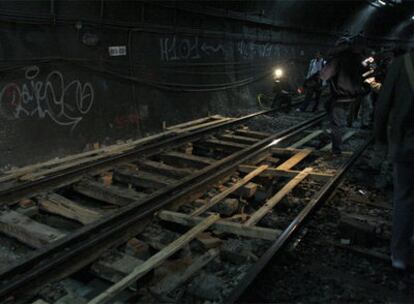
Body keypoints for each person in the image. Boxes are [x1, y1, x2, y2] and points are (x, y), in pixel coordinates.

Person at [375, 50, 414, 273]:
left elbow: (383, 105)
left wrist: (380, 138)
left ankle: (399, 255)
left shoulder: (401, 64)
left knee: (404, 197)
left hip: (406, 143)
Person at [320, 37, 366, 155]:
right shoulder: (360, 58)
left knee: (337, 123)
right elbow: (368, 71)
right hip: (355, 95)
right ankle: (326, 135)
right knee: (330, 110)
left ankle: (336, 149)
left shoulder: (338, 58)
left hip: (341, 96)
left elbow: (325, 74)